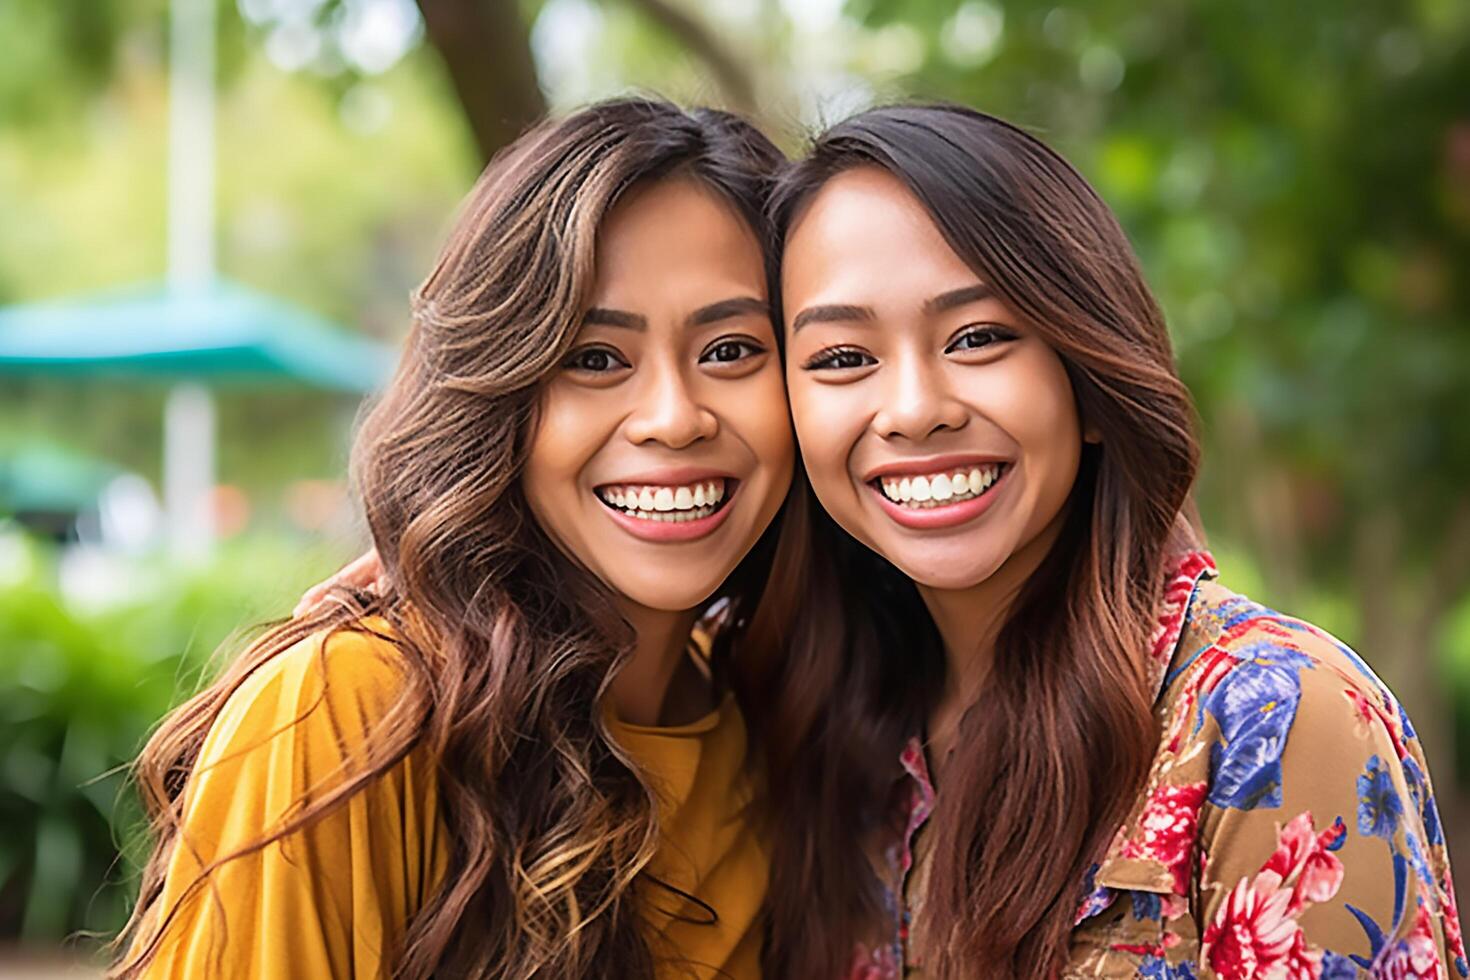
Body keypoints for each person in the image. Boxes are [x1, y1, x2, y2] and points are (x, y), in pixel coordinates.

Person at [757, 102, 1465, 979]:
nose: (912, 409)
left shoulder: (1269, 717)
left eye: (979, 338)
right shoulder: (830, 743)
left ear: (1088, 378)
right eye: (841, 358)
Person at [113, 97, 796, 980]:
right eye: (593, 358)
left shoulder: (779, 716)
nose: (673, 418)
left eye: (733, 350)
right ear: (499, 394)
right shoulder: (349, 715)